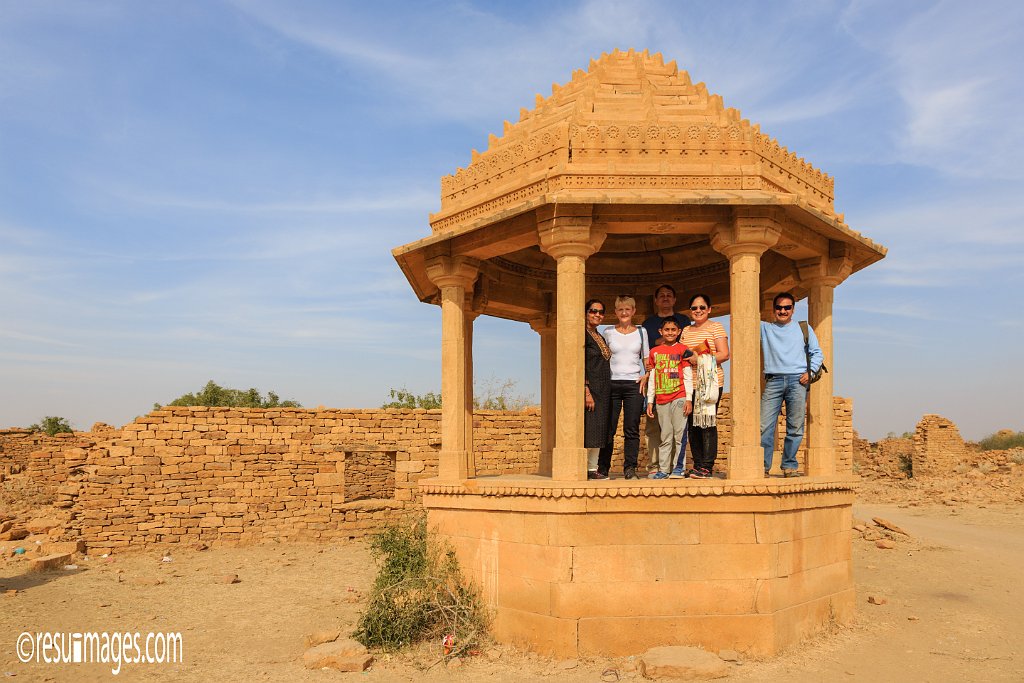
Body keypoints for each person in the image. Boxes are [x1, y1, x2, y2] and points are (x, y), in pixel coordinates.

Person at [760, 292, 823, 477]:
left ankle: (789, 466)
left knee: (795, 427)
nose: (783, 310)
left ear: (793, 309)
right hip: (774, 380)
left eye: (787, 307)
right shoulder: (766, 328)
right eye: (779, 307)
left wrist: (810, 373)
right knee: (765, 426)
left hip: (798, 380)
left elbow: (817, 353)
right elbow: (742, 321)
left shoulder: (803, 328)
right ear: (773, 310)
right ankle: (763, 466)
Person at [641, 285, 692, 475]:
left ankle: (677, 468)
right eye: (661, 296)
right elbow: (647, 354)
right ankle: (657, 468)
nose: (665, 298)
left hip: (678, 389)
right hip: (658, 386)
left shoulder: (685, 320)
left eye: (669, 295)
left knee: (678, 433)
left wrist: (688, 397)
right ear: (655, 300)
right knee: (658, 431)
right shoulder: (648, 324)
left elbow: (685, 351)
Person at [598, 296, 650, 480]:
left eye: (628, 309)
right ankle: (602, 468)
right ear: (616, 312)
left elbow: (647, 360)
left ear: (633, 311)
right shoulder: (608, 331)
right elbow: (602, 357)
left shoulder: (642, 332)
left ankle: (630, 468)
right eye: (620, 310)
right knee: (608, 428)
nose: (624, 313)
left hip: (633, 384)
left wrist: (647, 374)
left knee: (631, 429)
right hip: (611, 383)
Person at [681, 294, 729, 479]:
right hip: (690, 383)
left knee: (707, 423)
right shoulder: (686, 330)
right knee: (693, 424)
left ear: (709, 309)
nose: (698, 311)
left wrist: (698, 359)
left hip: (710, 383)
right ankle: (698, 464)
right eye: (694, 308)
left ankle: (707, 466)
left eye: (702, 307)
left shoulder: (716, 327)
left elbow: (724, 354)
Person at [584, 299, 613, 480]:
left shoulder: (598, 335)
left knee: (599, 428)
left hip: (603, 389)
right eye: (593, 311)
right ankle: (585, 469)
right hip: (590, 389)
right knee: (589, 429)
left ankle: (592, 468)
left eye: (601, 312)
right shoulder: (582, 334)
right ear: (586, 312)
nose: (597, 315)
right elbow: (578, 364)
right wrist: (586, 391)